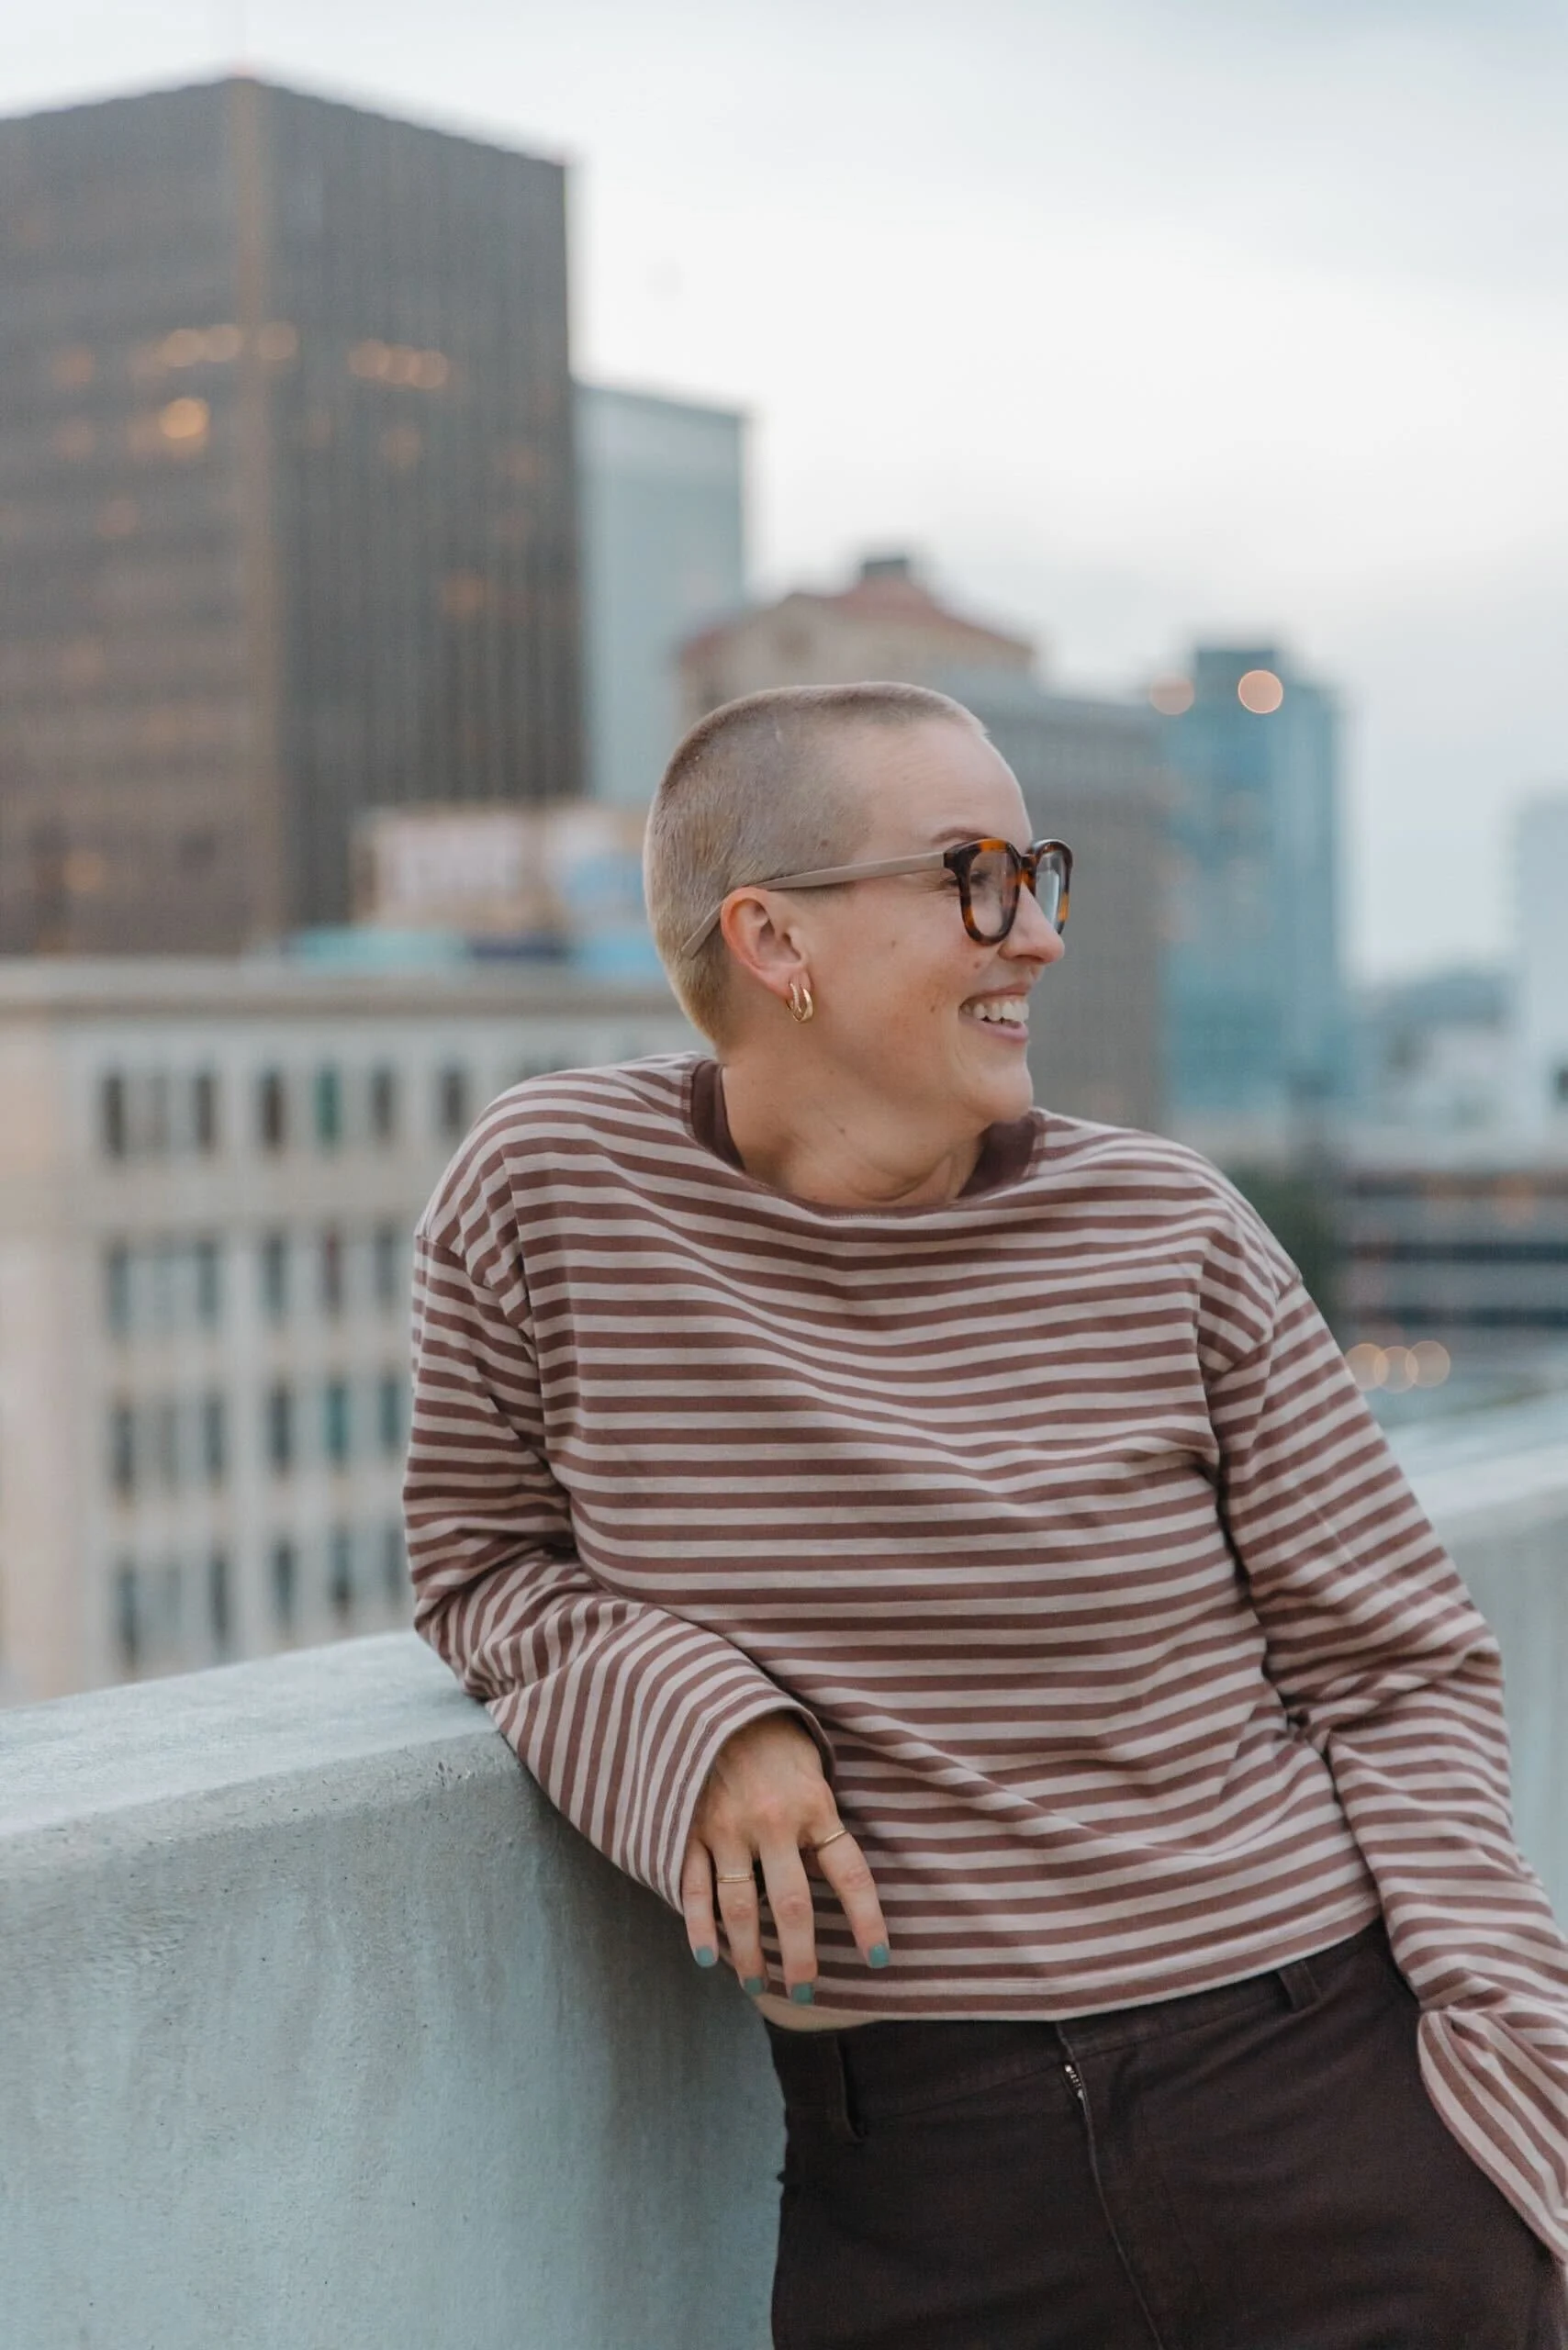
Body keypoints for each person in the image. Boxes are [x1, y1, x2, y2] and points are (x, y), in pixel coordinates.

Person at [405, 681, 1568, 2348]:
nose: (1033, 938)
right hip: (922, 2178)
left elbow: (1398, 1671)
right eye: (971, 877)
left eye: (1040, 877)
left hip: (1330, 2107)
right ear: (772, 941)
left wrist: (1508, 2060)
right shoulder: (551, 1196)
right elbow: (483, 1572)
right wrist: (692, 1718)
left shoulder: (1174, 1232)